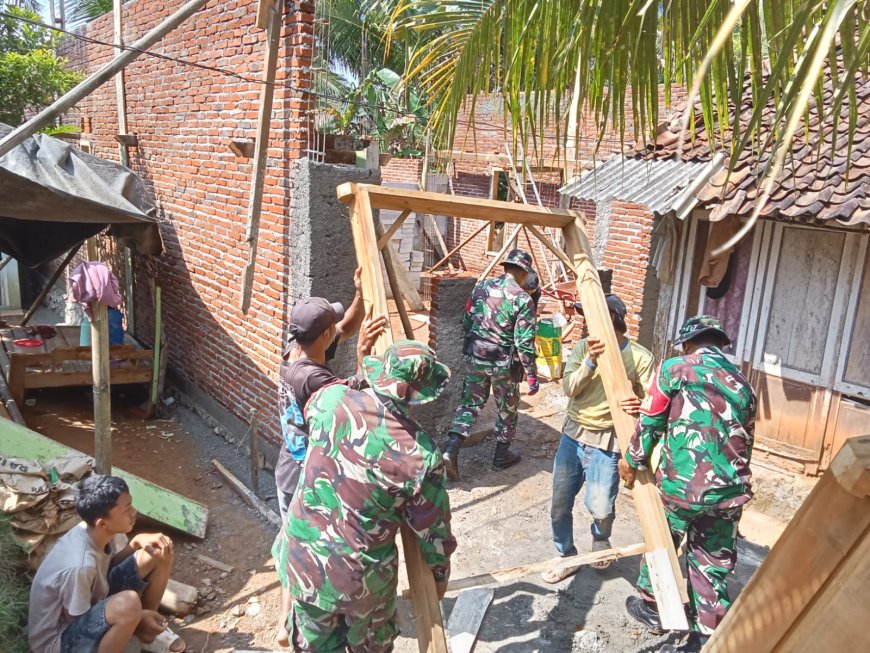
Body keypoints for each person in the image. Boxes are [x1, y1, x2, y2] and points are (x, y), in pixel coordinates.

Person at [273, 340, 456, 653]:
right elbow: (432, 529)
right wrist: (440, 573)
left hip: (302, 560)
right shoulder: (420, 455)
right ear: (421, 394)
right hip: (361, 581)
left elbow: (335, 394)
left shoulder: (328, 401)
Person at [619, 316, 756, 653]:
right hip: (728, 493)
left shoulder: (676, 368)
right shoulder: (744, 383)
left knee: (662, 540)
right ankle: (705, 634)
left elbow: (651, 420)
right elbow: (746, 439)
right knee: (711, 559)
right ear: (720, 344)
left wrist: (632, 460)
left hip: (682, 488)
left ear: (688, 343)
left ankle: (654, 607)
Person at [273, 270, 386, 645]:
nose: (337, 327)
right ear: (321, 336)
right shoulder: (310, 378)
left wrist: (358, 294)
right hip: (305, 476)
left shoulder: (295, 345)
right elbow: (350, 404)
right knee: (301, 547)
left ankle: (288, 621)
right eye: (331, 326)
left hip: (291, 467)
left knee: (294, 543)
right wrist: (363, 359)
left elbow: (346, 326)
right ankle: (291, 625)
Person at [543, 294, 655, 583]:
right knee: (560, 502)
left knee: (602, 506)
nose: (588, 322)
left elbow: (653, 402)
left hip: (608, 442)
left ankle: (600, 539)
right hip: (573, 435)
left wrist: (640, 406)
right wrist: (590, 362)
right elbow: (570, 388)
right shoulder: (582, 348)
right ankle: (567, 554)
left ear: (613, 320)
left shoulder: (640, 357)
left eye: (593, 316)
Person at [28, 475, 184, 653]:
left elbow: (106, 567)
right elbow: (80, 621)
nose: (134, 512)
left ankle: (148, 631)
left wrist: (135, 543)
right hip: (60, 641)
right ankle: (137, 626)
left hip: (93, 602)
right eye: (126, 510)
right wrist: (139, 616)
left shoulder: (98, 531)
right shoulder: (80, 567)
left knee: (158, 552)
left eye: (131, 505)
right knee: (129, 603)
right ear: (102, 523)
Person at [442, 248, 539, 480]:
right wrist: (532, 375)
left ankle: (451, 449)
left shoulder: (481, 287)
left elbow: (467, 320)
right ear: (524, 272)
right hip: (502, 364)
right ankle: (500, 457)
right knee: (507, 407)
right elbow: (524, 342)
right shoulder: (523, 299)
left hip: (475, 356)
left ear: (506, 268)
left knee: (470, 403)